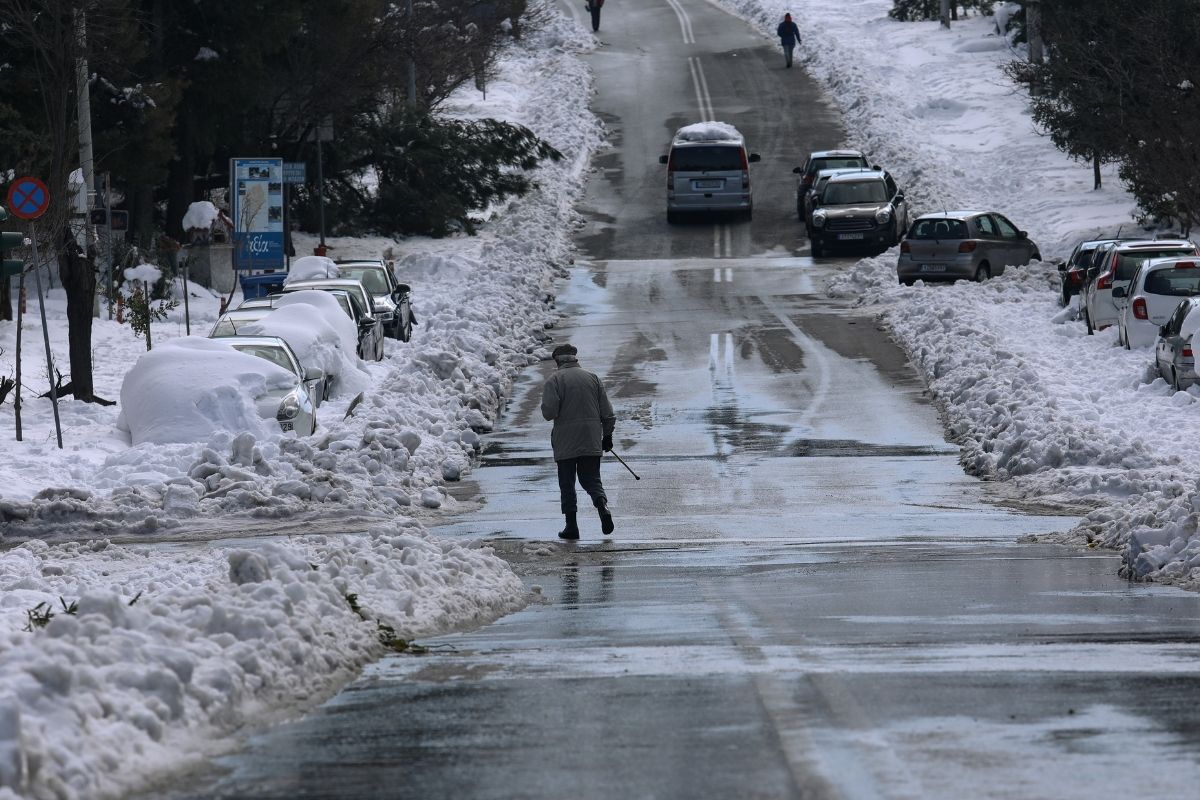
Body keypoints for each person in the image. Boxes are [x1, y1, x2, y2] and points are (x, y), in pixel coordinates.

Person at [541, 343, 616, 540]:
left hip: (566, 440)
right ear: (575, 358)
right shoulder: (593, 378)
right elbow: (608, 413)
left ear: (557, 360)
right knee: (591, 479)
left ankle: (571, 526)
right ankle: (603, 507)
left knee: (567, 483)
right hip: (591, 437)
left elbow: (549, 413)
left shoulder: (554, 380)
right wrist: (607, 436)